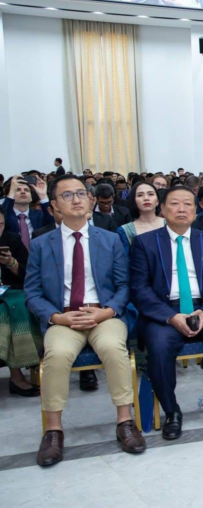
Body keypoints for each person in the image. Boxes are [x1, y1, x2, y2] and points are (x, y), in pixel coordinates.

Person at [25, 175, 146, 467]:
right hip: (63, 317)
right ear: (55, 205)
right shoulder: (41, 244)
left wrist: (107, 311)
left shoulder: (110, 239)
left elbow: (124, 285)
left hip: (103, 314)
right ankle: (53, 430)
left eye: (81, 193)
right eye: (67, 195)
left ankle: (125, 421)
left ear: (90, 200)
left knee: (113, 349)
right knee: (56, 354)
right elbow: (32, 292)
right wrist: (57, 317)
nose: (77, 199)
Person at [129, 187, 203, 439]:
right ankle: (172, 411)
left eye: (187, 204)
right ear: (163, 209)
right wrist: (170, 317)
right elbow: (139, 289)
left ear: (195, 209)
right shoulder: (145, 243)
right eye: (175, 204)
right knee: (159, 347)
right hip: (164, 311)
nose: (181, 209)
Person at [0, 211, 38, 397]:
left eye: (0, 225)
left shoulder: (12, 239)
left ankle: (17, 373)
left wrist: (11, 263)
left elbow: (28, 275)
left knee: (16, 307)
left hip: (11, 291)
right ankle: (16, 376)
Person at [116, 182, 164, 257]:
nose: (146, 198)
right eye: (140, 195)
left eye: (151, 194)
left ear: (157, 201)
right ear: (133, 201)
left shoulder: (171, 224)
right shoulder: (125, 231)